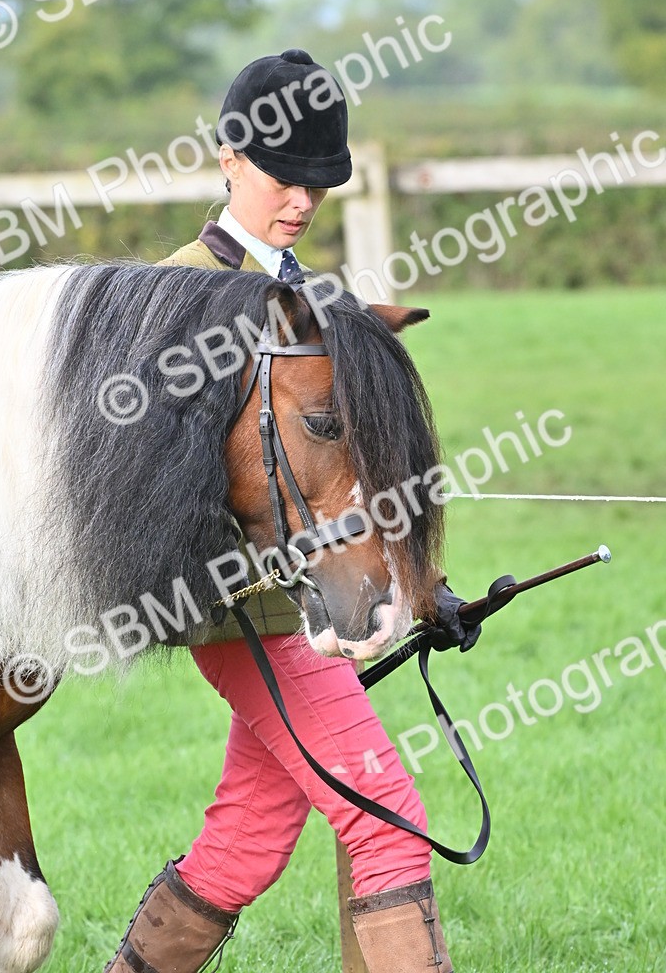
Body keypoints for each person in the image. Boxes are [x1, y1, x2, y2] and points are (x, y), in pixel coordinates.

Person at [105, 49, 479, 973]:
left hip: (310, 610)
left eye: (319, 184)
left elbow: (345, 483)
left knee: (247, 840)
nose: (302, 201)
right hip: (243, 619)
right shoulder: (169, 299)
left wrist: (419, 590)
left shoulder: (322, 306)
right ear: (228, 157)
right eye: (284, 177)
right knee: (387, 814)